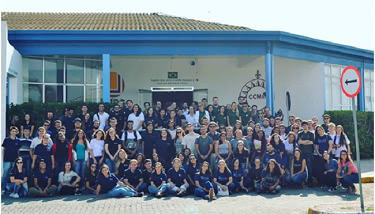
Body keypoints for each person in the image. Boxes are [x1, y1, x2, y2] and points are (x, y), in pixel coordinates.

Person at [2, 126, 21, 193]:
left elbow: (18, 150)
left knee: (13, 175)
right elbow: (3, 149)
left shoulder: (18, 140)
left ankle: (12, 190)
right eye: (12, 131)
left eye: (15, 131)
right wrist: (3, 158)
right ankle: (3, 189)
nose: (14, 132)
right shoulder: (6, 140)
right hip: (7, 160)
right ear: (10, 132)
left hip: (15, 160)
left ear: (17, 132)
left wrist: (18, 159)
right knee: (5, 175)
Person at [297, 121, 315, 185]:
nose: (305, 126)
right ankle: (302, 181)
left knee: (309, 167)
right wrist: (307, 141)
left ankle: (310, 181)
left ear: (308, 126)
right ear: (302, 126)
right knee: (302, 168)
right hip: (301, 153)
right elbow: (299, 142)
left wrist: (303, 142)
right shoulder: (299, 133)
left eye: (306, 125)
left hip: (309, 153)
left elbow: (312, 142)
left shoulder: (311, 134)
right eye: (303, 125)